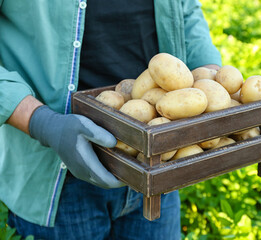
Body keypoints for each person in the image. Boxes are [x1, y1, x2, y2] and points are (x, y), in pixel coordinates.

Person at [0, 0, 221, 239]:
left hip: (156, 163)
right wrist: (41, 122)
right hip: (57, 178)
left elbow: (184, 8)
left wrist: (210, 80)